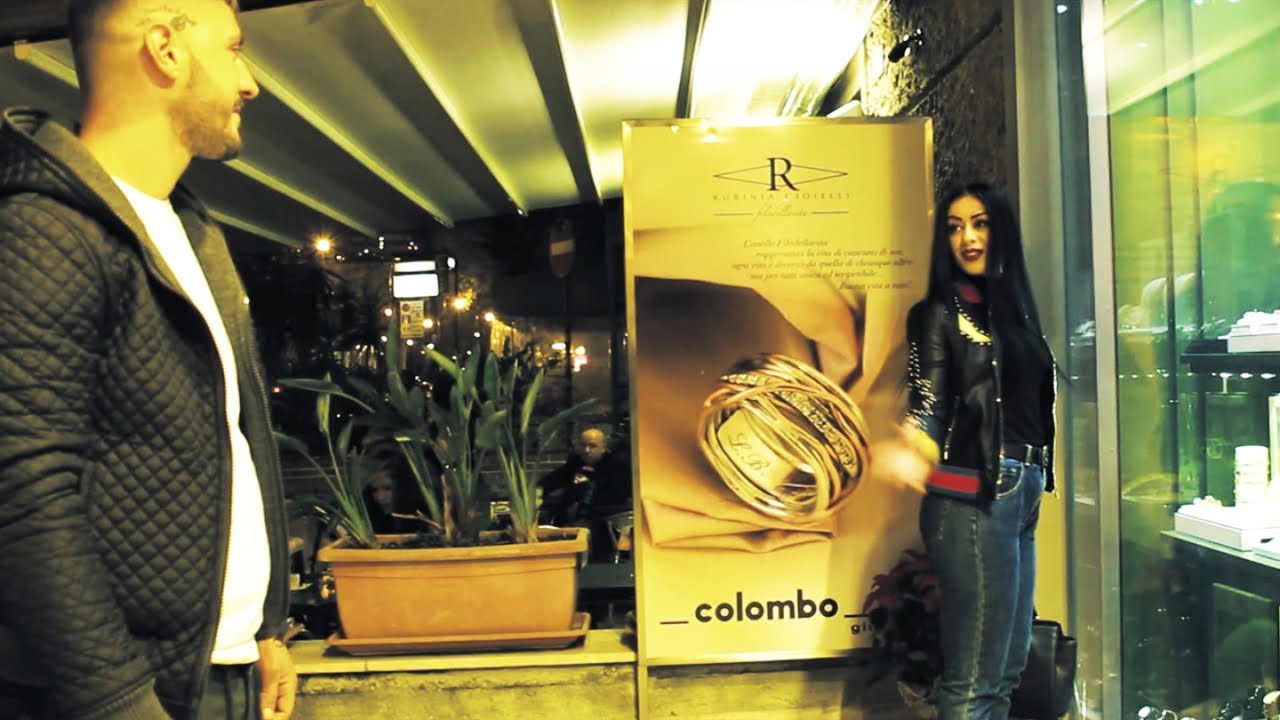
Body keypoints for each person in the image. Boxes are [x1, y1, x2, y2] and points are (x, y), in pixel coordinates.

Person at [0, 1, 295, 718]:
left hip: (218, 671)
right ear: (165, 48)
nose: (249, 82)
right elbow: (23, 488)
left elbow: (228, 443)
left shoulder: (190, 231)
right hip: (131, 693)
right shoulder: (45, 228)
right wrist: (115, 698)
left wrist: (263, 629)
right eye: (233, 49)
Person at [879, 182, 1056, 720]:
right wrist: (915, 444)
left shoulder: (1013, 312)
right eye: (954, 227)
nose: (967, 238)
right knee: (975, 679)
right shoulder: (936, 313)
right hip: (974, 494)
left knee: (1007, 670)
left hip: (1021, 490)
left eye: (979, 223)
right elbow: (929, 400)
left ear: (1001, 229)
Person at [539, 427, 631, 560]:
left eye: (592, 446)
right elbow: (554, 479)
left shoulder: (616, 465)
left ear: (603, 447)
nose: (586, 450)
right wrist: (538, 491)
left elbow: (619, 495)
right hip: (572, 515)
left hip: (603, 516)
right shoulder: (575, 462)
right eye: (583, 445)